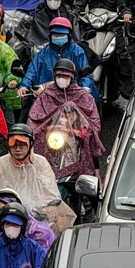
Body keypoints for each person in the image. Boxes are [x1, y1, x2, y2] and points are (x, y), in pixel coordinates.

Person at [0, 123, 73, 234]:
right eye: (13, 145)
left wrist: (50, 206)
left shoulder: (41, 162)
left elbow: (51, 191)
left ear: (31, 144)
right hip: (6, 215)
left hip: (37, 215)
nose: (17, 149)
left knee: (59, 221)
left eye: (22, 145)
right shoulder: (1, 162)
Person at [29, 58, 104, 192]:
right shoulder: (46, 96)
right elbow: (35, 120)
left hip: (76, 142)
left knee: (89, 170)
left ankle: (86, 197)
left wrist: (79, 131)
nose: (62, 79)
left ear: (72, 77)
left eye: (65, 76)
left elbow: (93, 122)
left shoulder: (83, 96)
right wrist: (50, 129)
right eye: (59, 76)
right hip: (51, 141)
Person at [20, 16, 97, 100]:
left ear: (69, 35)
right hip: (47, 98)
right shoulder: (43, 54)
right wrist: (24, 86)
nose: (58, 37)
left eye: (62, 35)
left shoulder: (77, 52)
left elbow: (85, 75)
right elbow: (32, 72)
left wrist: (85, 88)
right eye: (55, 35)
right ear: (50, 36)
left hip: (74, 97)